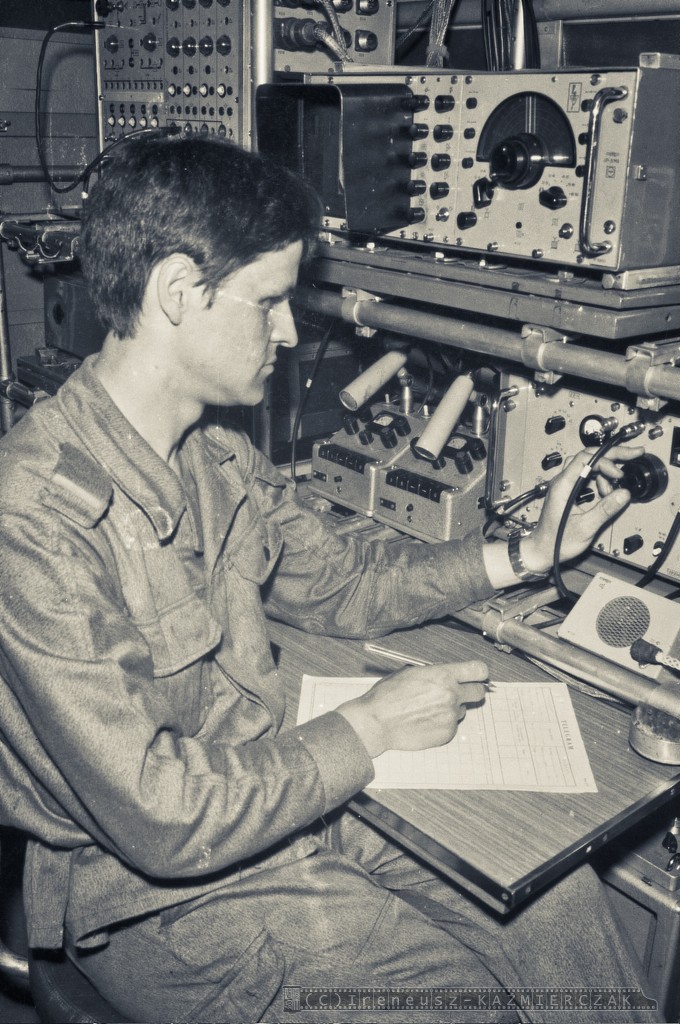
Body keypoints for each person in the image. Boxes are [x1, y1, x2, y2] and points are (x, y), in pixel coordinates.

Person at [0, 133, 659, 1024]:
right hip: (159, 900)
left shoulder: (211, 449)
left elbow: (344, 584)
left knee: (560, 904)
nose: (289, 331)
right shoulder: (33, 520)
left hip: (285, 794)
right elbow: (163, 815)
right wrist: (370, 724)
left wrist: (525, 556)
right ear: (178, 293)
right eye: (270, 300)